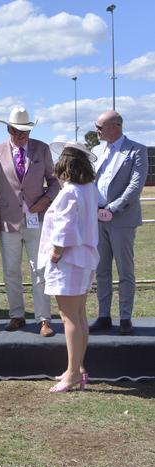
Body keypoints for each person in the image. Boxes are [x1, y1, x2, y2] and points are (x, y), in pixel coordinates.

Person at [0, 107, 60, 337]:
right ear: (8, 129)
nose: (22, 136)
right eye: (18, 131)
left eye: (26, 131)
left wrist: (46, 200)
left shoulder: (42, 148)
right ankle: (16, 315)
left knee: (40, 269)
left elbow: (55, 181)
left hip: (38, 220)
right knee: (11, 271)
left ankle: (44, 319)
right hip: (8, 222)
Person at [37, 142, 99, 392]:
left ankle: (73, 373)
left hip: (69, 260)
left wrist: (55, 252)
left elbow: (64, 226)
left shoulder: (71, 191)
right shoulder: (89, 189)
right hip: (84, 259)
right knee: (79, 316)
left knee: (69, 317)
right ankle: (77, 368)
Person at [89, 110, 148, 335]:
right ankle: (104, 315)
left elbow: (135, 186)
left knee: (125, 271)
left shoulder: (136, 150)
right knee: (101, 271)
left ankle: (125, 317)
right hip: (97, 218)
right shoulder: (95, 150)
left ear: (116, 126)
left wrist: (112, 209)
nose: (97, 130)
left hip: (121, 219)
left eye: (100, 126)